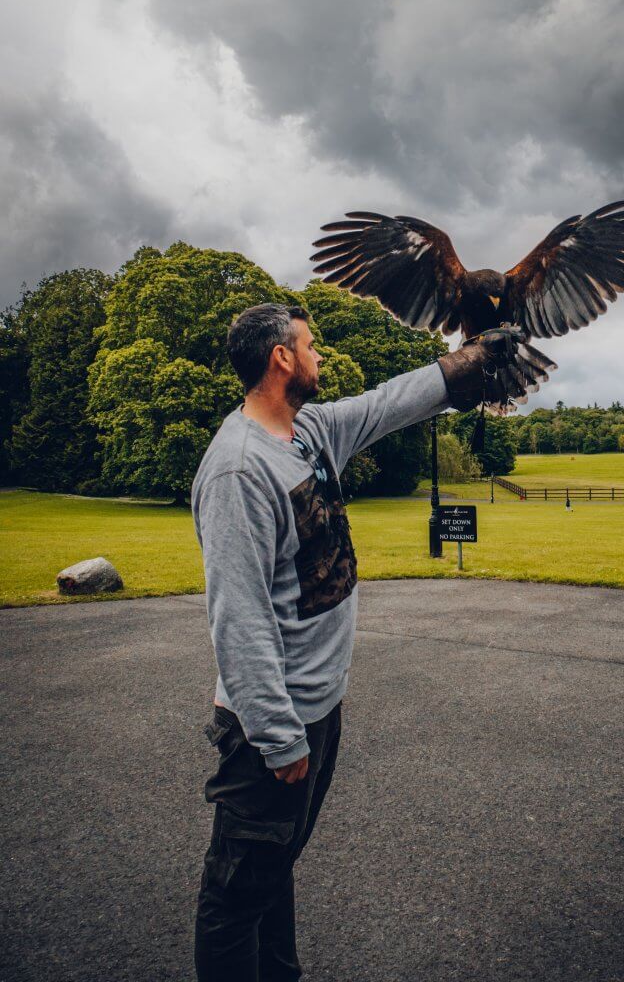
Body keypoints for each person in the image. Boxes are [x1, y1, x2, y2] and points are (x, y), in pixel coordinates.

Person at [191, 302, 520, 981]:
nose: (320, 355)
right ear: (280, 358)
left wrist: (475, 359)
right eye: (310, 345)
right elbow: (238, 616)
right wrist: (278, 737)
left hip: (316, 709)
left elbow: (385, 404)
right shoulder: (238, 471)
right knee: (234, 897)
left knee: (271, 872)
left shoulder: (307, 431)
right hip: (268, 731)